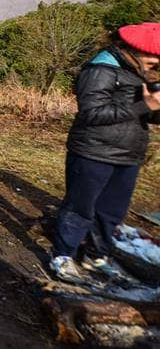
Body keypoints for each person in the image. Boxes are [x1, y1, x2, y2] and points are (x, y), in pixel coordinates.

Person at [49, 22, 160, 283]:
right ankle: (63, 255)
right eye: (154, 60)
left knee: (111, 211)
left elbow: (142, 114)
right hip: (93, 152)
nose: (156, 65)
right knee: (80, 208)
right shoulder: (101, 69)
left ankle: (95, 254)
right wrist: (143, 105)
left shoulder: (138, 71)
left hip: (127, 155)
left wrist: (153, 108)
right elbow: (92, 114)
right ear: (134, 49)